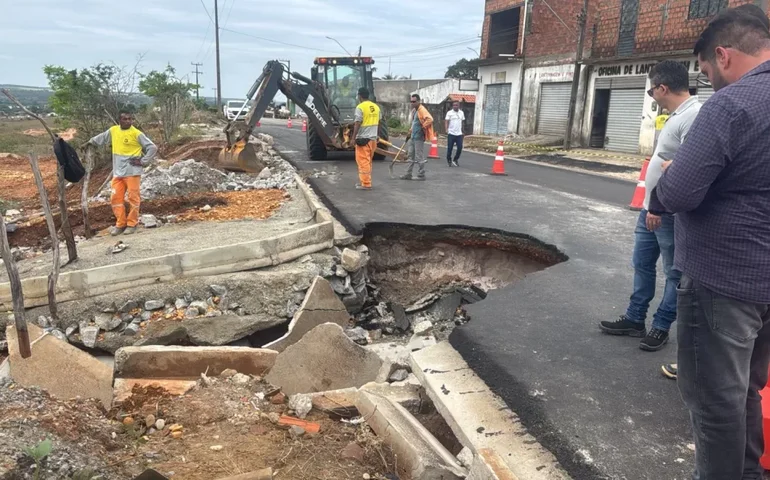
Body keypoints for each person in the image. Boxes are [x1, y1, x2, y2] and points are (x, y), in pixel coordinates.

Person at [648, 7, 770, 478]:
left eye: (705, 69)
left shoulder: (731, 105)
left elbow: (676, 193)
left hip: (724, 279)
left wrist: (673, 178)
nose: (709, 81)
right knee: (747, 390)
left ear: (723, 55)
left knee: (715, 401)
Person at [599, 60, 700, 352]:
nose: (651, 96)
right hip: (650, 208)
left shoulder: (693, 116)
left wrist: (660, 207)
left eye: (651, 90)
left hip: (666, 213)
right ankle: (634, 319)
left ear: (662, 88)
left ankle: (661, 325)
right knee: (642, 265)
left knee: (672, 272)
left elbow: (687, 169)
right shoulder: (675, 115)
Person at [88, 110, 157, 236]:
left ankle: (132, 224)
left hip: (132, 172)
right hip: (118, 173)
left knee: (133, 198)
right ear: (119, 120)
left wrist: (143, 161)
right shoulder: (113, 131)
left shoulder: (136, 133)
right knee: (115, 198)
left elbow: (152, 147)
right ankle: (120, 224)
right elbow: (102, 138)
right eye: (125, 119)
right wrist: (90, 142)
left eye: (130, 119)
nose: (128, 121)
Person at [351, 87, 380, 190]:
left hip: (363, 139)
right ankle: (365, 181)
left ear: (359, 96)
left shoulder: (360, 107)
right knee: (368, 161)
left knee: (363, 161)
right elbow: (379, 122)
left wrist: (353, 138)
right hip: (373, 139)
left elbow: (357, 122)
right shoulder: (376, 107)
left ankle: (366, 184)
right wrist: (378, 135)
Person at [401, 94, 434, 181]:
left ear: (419, 101)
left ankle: (421, 174)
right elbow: (414, 123)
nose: (412, 103)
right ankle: (408, 174)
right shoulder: (415, 111)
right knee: (410, 155)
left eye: (414, 101)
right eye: (411, 101)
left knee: (419, 156)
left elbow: (430, 119)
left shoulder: (422, 110)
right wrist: (410, 131)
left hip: (419, 136)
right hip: (413, 136)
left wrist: (423, 126)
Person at [445, 101, 465, 167]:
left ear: (459, 106)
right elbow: (446, 121)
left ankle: (455, 159)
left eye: (456, 105)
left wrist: (462, 131)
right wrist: (446, 129)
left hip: (459, 134)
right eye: (453, 105)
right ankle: (449, 160)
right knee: (450, 148)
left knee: (460, 148)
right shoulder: (449, 113)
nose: (455, 106)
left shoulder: (461, 113)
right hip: (451, 133)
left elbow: (462, 122)